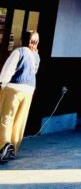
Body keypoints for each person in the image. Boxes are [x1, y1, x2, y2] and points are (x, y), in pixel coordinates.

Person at [0, 30, 40, 161]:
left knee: (6, 118)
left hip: (14, 88)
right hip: (29, 90)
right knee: (19, 121)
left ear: (23, 39)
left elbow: (8, 70)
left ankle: (3, 146)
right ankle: (13, 149)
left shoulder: (19, 51)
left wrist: (2, 84)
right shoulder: (36, 56)